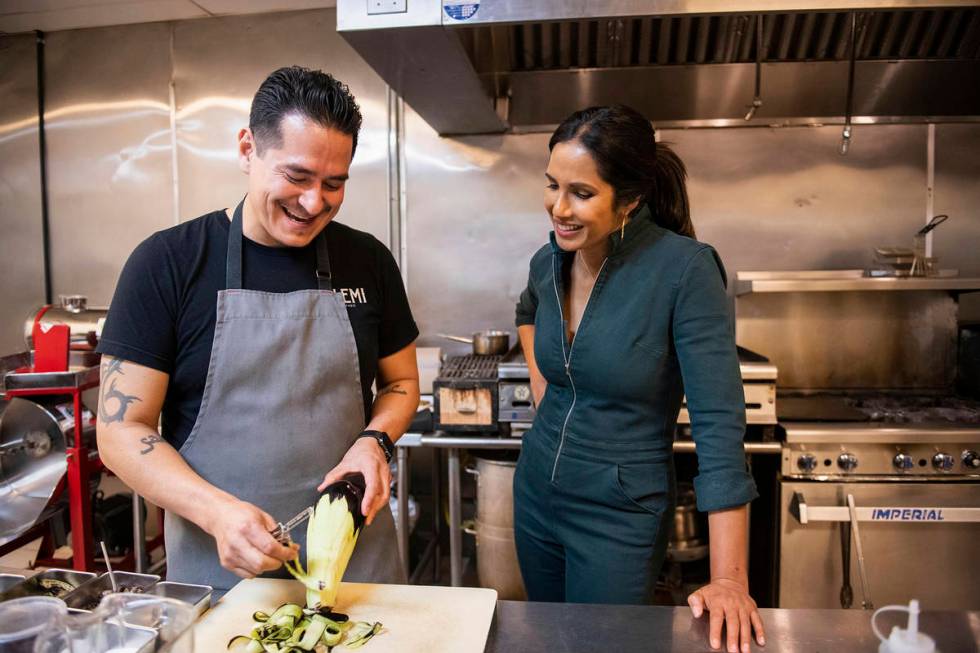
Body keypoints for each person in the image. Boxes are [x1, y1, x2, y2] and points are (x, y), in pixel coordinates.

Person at [95, 66, 419, 593]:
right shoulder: (169, 263)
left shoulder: (368, 261)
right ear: (248, 149)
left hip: (359, 574)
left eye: (334, 184)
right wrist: (218, 513)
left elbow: (402, 384)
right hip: (218, 576)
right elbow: (119, 431)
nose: (315, 203)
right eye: (296, 177)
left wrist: (374, 442)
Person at [513, 105, 766, 653]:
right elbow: (527, 310)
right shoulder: (548, 259)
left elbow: (719, 427)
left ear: (629, 199)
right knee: (546, 643)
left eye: (581, 193)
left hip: (619, 514)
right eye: (552, 185)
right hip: (536, 495)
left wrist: (729, 579)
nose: (559, 208)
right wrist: (546, 399)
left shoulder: (685, 270)